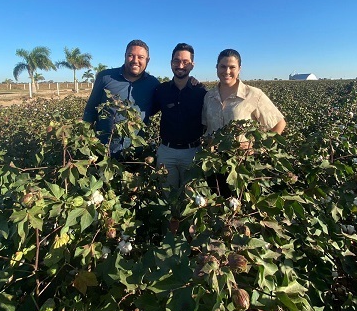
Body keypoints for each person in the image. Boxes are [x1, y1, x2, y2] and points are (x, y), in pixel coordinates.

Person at [202, 48, 286, 196]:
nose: (227, 71)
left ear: (239, 69)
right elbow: (205, 127)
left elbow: (279, 123)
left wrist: (259, 147)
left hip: (241, 165)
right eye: (222, 66)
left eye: (232, 67)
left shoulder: (253, 94)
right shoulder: (209, 96)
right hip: (214, 163)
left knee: (239, 208)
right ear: (216, 67)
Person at [83, 39, 160, 154]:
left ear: (147, 60)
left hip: (135, 153)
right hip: (103, 151)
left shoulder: (153, 84)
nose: (135, 60)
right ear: (125, 56)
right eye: (131, 55)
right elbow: (90, 110)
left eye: (141, 57)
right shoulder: (105, 77)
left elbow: (152, 110)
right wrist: (85, 140)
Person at [152, 43, 207, 190]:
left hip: (193, 152)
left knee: (191, 199)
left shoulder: (201, 92)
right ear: (171, 63)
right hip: (166, 152)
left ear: (192, 65)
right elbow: (146, 111)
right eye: (176, 61)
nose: (180, 65)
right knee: (167, 196)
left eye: (185, 62)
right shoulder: (161, 90)